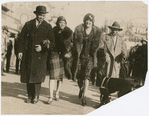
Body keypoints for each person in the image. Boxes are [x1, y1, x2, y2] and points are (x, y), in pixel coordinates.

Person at [18, 5, 55, 104]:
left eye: (43, 15)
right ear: (36, 14)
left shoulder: (48, 27)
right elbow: (21, 39)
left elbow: (52, 42)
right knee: (28, 75)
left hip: (41, 56)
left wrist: (42, 48)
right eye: (40, 15)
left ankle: (36, 96)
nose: (41, 17)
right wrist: (20, 51)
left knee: (37, 77)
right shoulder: (28, 24)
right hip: (28, 55)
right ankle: (30, 96)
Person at [73, 13, 104, 106]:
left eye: (90, 21)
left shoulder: (96, 33)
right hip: (80, 57)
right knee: (79, 77)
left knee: (87, 77)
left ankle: (84, 96)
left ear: (92, 22)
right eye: (87, 20)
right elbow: (74, 43)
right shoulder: (79, 30)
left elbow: (101, 45)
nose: (88, 22)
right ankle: (81, 89)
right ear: (84, 21)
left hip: (90, 57)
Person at [47, 16, 73, 104]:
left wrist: (69, 53)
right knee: (52, 76)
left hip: (63, 56)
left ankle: (57, 92)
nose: (62, 24)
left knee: (60, 77)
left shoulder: (69, 33)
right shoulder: (53, 31)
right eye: (60, 22)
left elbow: (73, 45)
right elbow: (49, 41)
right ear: (57, 23)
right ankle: (50, 96)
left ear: (66, 24)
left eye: (64, 23)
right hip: (54, 54)